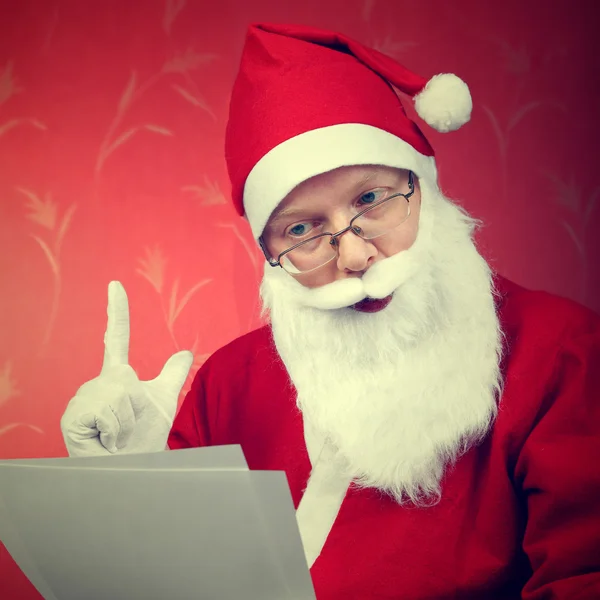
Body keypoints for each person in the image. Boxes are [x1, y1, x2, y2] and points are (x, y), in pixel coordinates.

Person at [60, 22, 600, 599]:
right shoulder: (225, 386)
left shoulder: (562, 353)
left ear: (424, 187)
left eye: (371, 199)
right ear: (270, 257)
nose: (357, 255)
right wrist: (129, 490)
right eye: (302, 230)